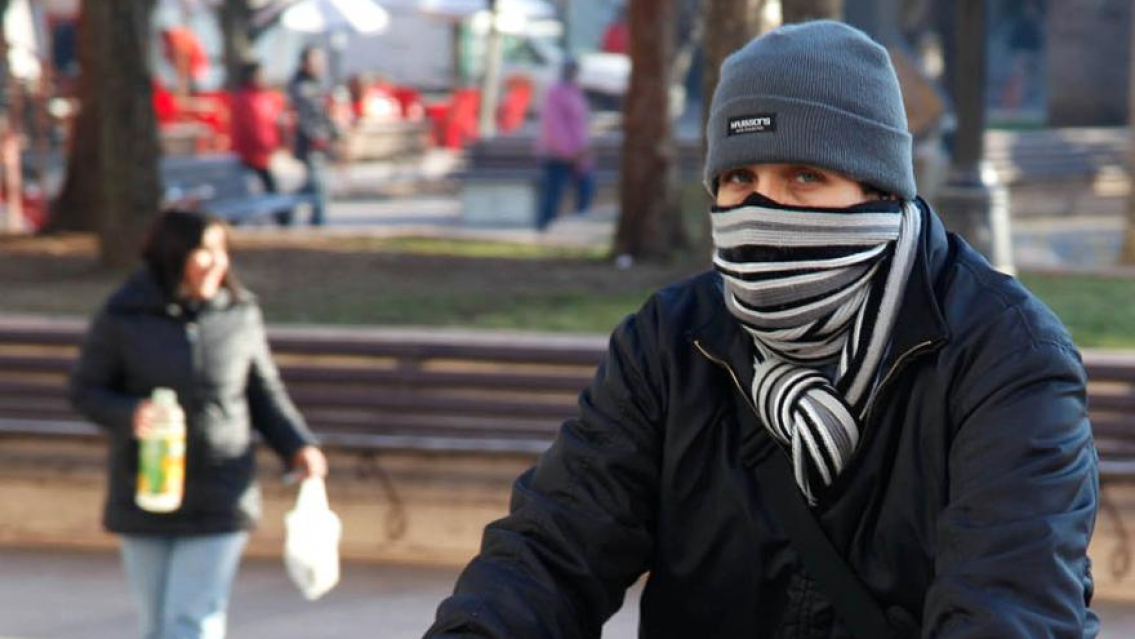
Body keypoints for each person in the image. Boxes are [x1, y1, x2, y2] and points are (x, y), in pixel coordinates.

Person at [425, 21, 1098, 638]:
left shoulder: (1004, 355)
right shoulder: (673, 340)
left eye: (804, 176)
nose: (762, 208)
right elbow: (550, 550)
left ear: (881, 193)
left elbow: (1013, 606)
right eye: (738, 178)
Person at [69, 208, 328, 639]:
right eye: (204, 251)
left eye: (221, 251)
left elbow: (264, 393)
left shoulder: (239, 313)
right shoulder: (124, 315)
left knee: (191, 619)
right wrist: (130, 413)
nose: (216, 262)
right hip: (147, 489)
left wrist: (298, 445)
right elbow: (85, 390)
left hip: (221, 489)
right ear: (173, 255)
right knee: (157, 625)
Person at [535, 59, 595, 232]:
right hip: (557, 154)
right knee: (553, 195)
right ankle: (545, 230)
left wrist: (584, 148)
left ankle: (579, 228)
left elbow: (581, 124)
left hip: (579, 155)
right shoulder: (555, 92)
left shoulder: (576, 92)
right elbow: (554, 126)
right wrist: (568, 151)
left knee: (586, 189)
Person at [287, 46, 339, 226]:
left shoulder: (317, 83)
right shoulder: (299, 85)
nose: (320, 65)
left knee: (313, 184)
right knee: (319, 185)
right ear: (305, 63)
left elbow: (324, 113)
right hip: (309, 143)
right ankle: (319, 221)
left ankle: (286, 207)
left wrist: (334, 132)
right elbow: (303, 116)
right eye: (315, 61)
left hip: (321, 141)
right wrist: (316, 137)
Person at [230, 61, 287, 223]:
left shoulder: (263, 97)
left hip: (262, 153)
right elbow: (252, 128)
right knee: (263, 187)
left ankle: (282, 218)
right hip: (251, 153)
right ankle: (282, 218)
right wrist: (266, 145)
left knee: (265, 187)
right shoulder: (246, 99)